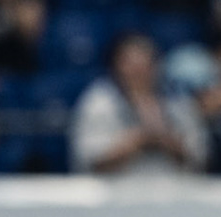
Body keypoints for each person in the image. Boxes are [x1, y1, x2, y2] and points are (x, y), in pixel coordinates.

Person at [69, 32, 208, 176]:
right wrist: (136, 142)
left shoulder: (178, 101)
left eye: (145, 63)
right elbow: (89, 160)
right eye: (132, 64)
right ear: (116, 66)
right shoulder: (99, 101)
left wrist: (167, 142)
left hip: (174, 190)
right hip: (113, 191)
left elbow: (199, 158)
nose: (139, 71)